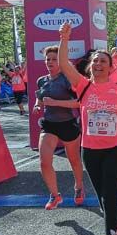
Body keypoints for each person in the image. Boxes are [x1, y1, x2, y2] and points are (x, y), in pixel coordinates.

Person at [57, 22, 117, 235]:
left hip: (115, 149)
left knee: (109, 195)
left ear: (111, 67)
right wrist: (64, 38)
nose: (99, 64)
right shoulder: (83, 86)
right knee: (102, 196)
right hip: (90, 150)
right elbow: (63, 64)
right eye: (96, 61)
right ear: (90, 66)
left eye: (103, 61)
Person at [36, 46, 86, 210]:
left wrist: (55, 103)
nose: (50, 62)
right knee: (44, 162)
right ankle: (55, 195)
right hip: (49, 124)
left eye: (54, 59)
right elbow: (40, 98)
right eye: (48, 59)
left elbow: (79, 103)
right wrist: (38, 105)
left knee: (74, 159)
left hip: (67, 123)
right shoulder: (42, 80)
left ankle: (79, 187)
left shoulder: (67, 79)